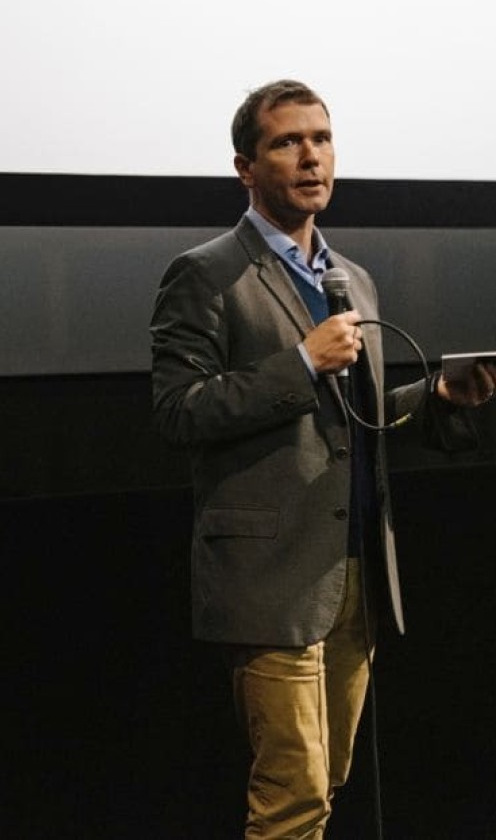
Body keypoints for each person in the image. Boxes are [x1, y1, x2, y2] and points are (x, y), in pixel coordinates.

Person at [149, 79, 496, 838]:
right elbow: (178, 413)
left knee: (328, 780)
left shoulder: (352, 278)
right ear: (246, 166)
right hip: (270, 577)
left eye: (322, 138)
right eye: (287, 142)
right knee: (293, 795)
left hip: (354, 573)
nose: (311, 156)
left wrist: (437, 394)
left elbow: (362, 422)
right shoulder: (206, 274)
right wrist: (300, 364)